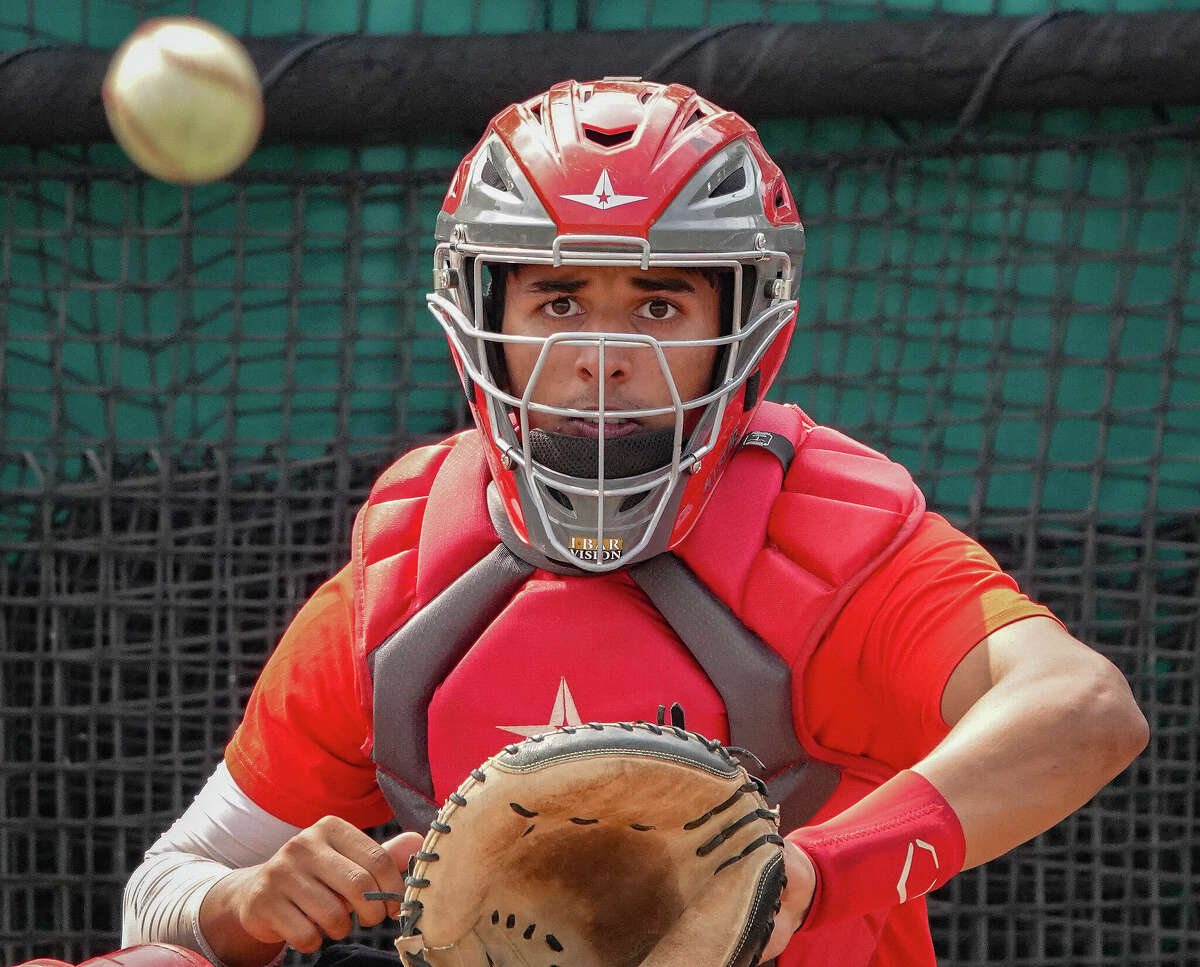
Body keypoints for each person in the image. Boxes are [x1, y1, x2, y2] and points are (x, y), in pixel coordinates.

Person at [121, 78, 1147, 967]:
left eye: (658, 306)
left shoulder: (831, 548)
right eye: (559, 299)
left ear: (741, 327)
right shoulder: (410, 576)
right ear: (485, 313)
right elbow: (165, 886)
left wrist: (807, 875)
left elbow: (1085, 710)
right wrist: (245, 903)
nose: (603, 353)